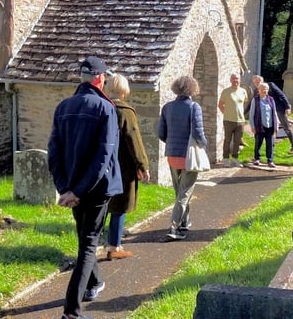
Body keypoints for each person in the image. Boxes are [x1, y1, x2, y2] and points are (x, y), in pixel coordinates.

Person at [48, 56, 122, 319]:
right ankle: (71, 312)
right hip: (95, 190)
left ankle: (93, 283)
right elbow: (104, 156)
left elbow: (53, 153)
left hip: (73, 190)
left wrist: (65, 189)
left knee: (85, 240)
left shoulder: (63, 106)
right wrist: (76, 191)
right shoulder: (106, 108)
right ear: (100, 78)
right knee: (89, 244)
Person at [103, 73, 150, 260]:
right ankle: (114, 246)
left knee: (102, 206)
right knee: (119, 207)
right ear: (124, 91)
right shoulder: (125, 111)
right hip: (122, 166)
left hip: (101, 165)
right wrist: (143, 165)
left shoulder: (101, 107)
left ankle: (91, 244)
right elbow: (134, 140)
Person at [157, 75, 207, 240]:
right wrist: (204, 145)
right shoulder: (194, 107)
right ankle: (174, 227)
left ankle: (185, 221)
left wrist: (171, 143)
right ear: (193, 89)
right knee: (185, 192)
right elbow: (198, 133)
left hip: (172, 154)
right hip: (189, 155)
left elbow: (161, 134)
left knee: (179, 191)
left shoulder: (167, 107)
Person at [251, 75, 293, 154]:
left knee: (286, 127)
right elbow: (252, 103)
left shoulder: (271, 85)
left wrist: (287, 107)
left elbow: (281, 95)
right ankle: (271, 149)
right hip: (267, 113)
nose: (256, 84)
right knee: (270, 130)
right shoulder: (256, 91)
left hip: (278, 109)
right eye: (255, 82)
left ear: (262, 81)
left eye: (258, 82)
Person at [217, 73, 248, 167]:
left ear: (240, 80)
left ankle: (235, 159)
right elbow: (220, 105)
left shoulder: (243, 91)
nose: (235, 81)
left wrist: (241, 113)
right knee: (227, 140)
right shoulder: (226, 91)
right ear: (230, 80)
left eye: (237, 79)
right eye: (233, 79)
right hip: (228, 120)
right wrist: (226, 113)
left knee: (237, 141)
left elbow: (245, 103)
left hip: (240, 120)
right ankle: (226, 159)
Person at [249, 82, 278, 168]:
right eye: (261, 89)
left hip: (270, 126)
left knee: (270, 143)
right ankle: (257, 159)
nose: (263, 91)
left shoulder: (271, 99)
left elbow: (274, 113)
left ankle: (270, 160)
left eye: (265, 89)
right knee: (258, 143)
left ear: (268, 90)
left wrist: (276, 126)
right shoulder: (255, 100)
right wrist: (252, 126)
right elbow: (251, 114)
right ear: (259, 90)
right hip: (259, 125)